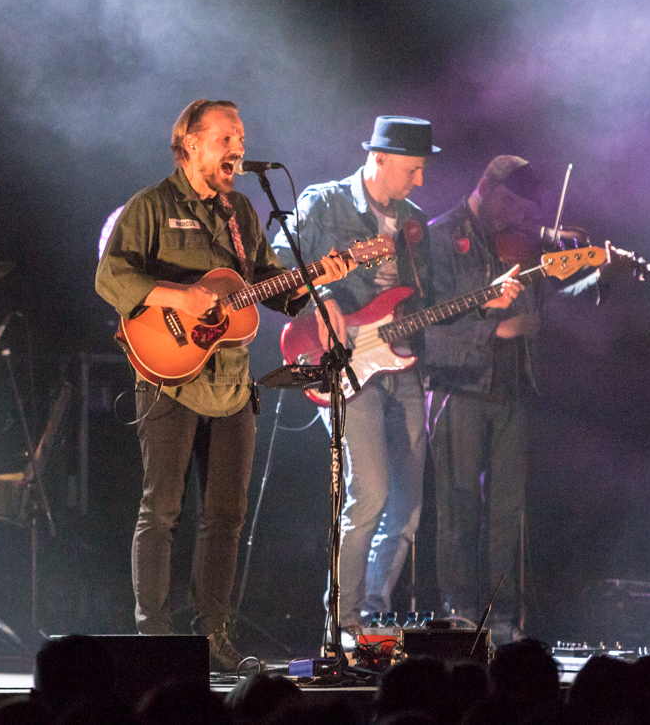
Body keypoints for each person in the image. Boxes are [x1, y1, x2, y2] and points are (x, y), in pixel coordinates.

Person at [96, 99, 353, 670]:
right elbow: (111, 275)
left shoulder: (242, 211)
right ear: (190, 143)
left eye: (241, 137)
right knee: (161, 508)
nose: (238, 148)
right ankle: (156, 640)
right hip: (168, 379)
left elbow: (262, 282)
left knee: (226, 515)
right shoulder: (152, 207)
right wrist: (178, 296)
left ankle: (212, 636)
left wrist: (312, 281)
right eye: (226, 138)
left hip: (232, 383)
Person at [271, 116, 493, 636]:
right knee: (368, 492)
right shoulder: (324, 203)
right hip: (346, 363)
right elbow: (280, 261)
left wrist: (486, 299)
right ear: (380, 159)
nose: (419, 182)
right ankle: (341, 622)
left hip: (401, 364)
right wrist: (324, 301)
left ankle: (371, 612)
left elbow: (430, 299)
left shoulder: (413, 222)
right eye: (413, 170)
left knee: (409, 508)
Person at [424, 155, 607, 638]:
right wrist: (497, 329)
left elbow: (548, 300)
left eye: (524, 209)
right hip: (458, 384)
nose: (517, 218)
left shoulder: (523, 243)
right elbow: (429, 323)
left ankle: (503, 615)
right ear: (485, 187)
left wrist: (592, 276)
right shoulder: (440, 236)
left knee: (508, 510)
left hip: (513, 387)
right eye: (509, 205)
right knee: (459, 504)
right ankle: (458, 609)